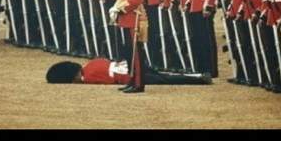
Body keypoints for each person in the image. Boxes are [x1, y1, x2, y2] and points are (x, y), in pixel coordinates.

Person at [46, 58, 212, 85]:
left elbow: (109, 81)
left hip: (131, 76)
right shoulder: (92, 63)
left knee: (166, 79)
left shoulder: (88, 76)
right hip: (132, 65)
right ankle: (198, 75)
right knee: (167, 75)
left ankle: (199, 79)